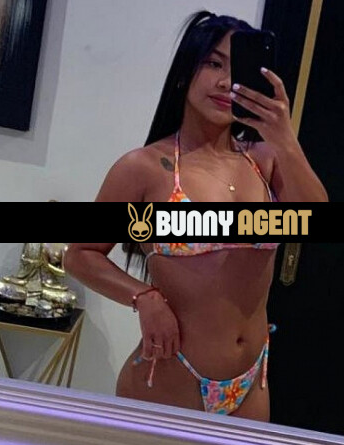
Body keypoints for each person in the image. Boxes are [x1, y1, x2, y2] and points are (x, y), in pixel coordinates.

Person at [64, 10, 328, 422]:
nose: (225, 81)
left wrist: (285, 139)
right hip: (168, 378)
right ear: (186, 72)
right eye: (213, 64)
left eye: (236, 68)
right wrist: (144, 297)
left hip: (251, 383)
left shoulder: (265, 160)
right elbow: (80, 254)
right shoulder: (144, 168)